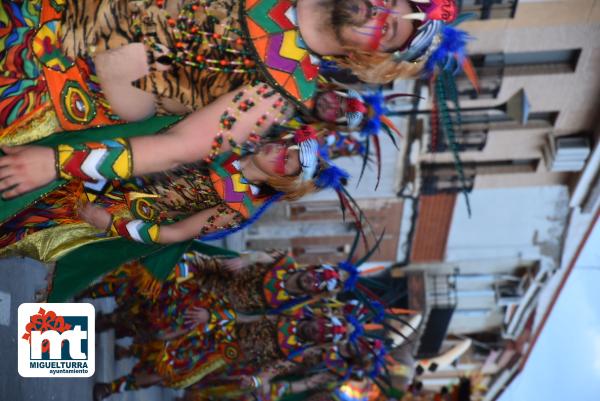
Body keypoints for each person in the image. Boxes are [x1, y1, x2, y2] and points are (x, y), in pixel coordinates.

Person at [0, 0, 468, 199]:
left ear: (370, 58)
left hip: (55, 82)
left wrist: (56, 163)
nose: (379, 11)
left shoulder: (283, 93)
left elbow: (181, 145)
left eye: (388, 28)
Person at [0, 125, 328, 261]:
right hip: (103, 157)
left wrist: (109, 223)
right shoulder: (236, 134)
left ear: (284, 182)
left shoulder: (237, 207)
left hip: (103, 205)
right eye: (290, 144)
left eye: (288, 160)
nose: (281, 149)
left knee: (17, 222)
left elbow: (173, 233)